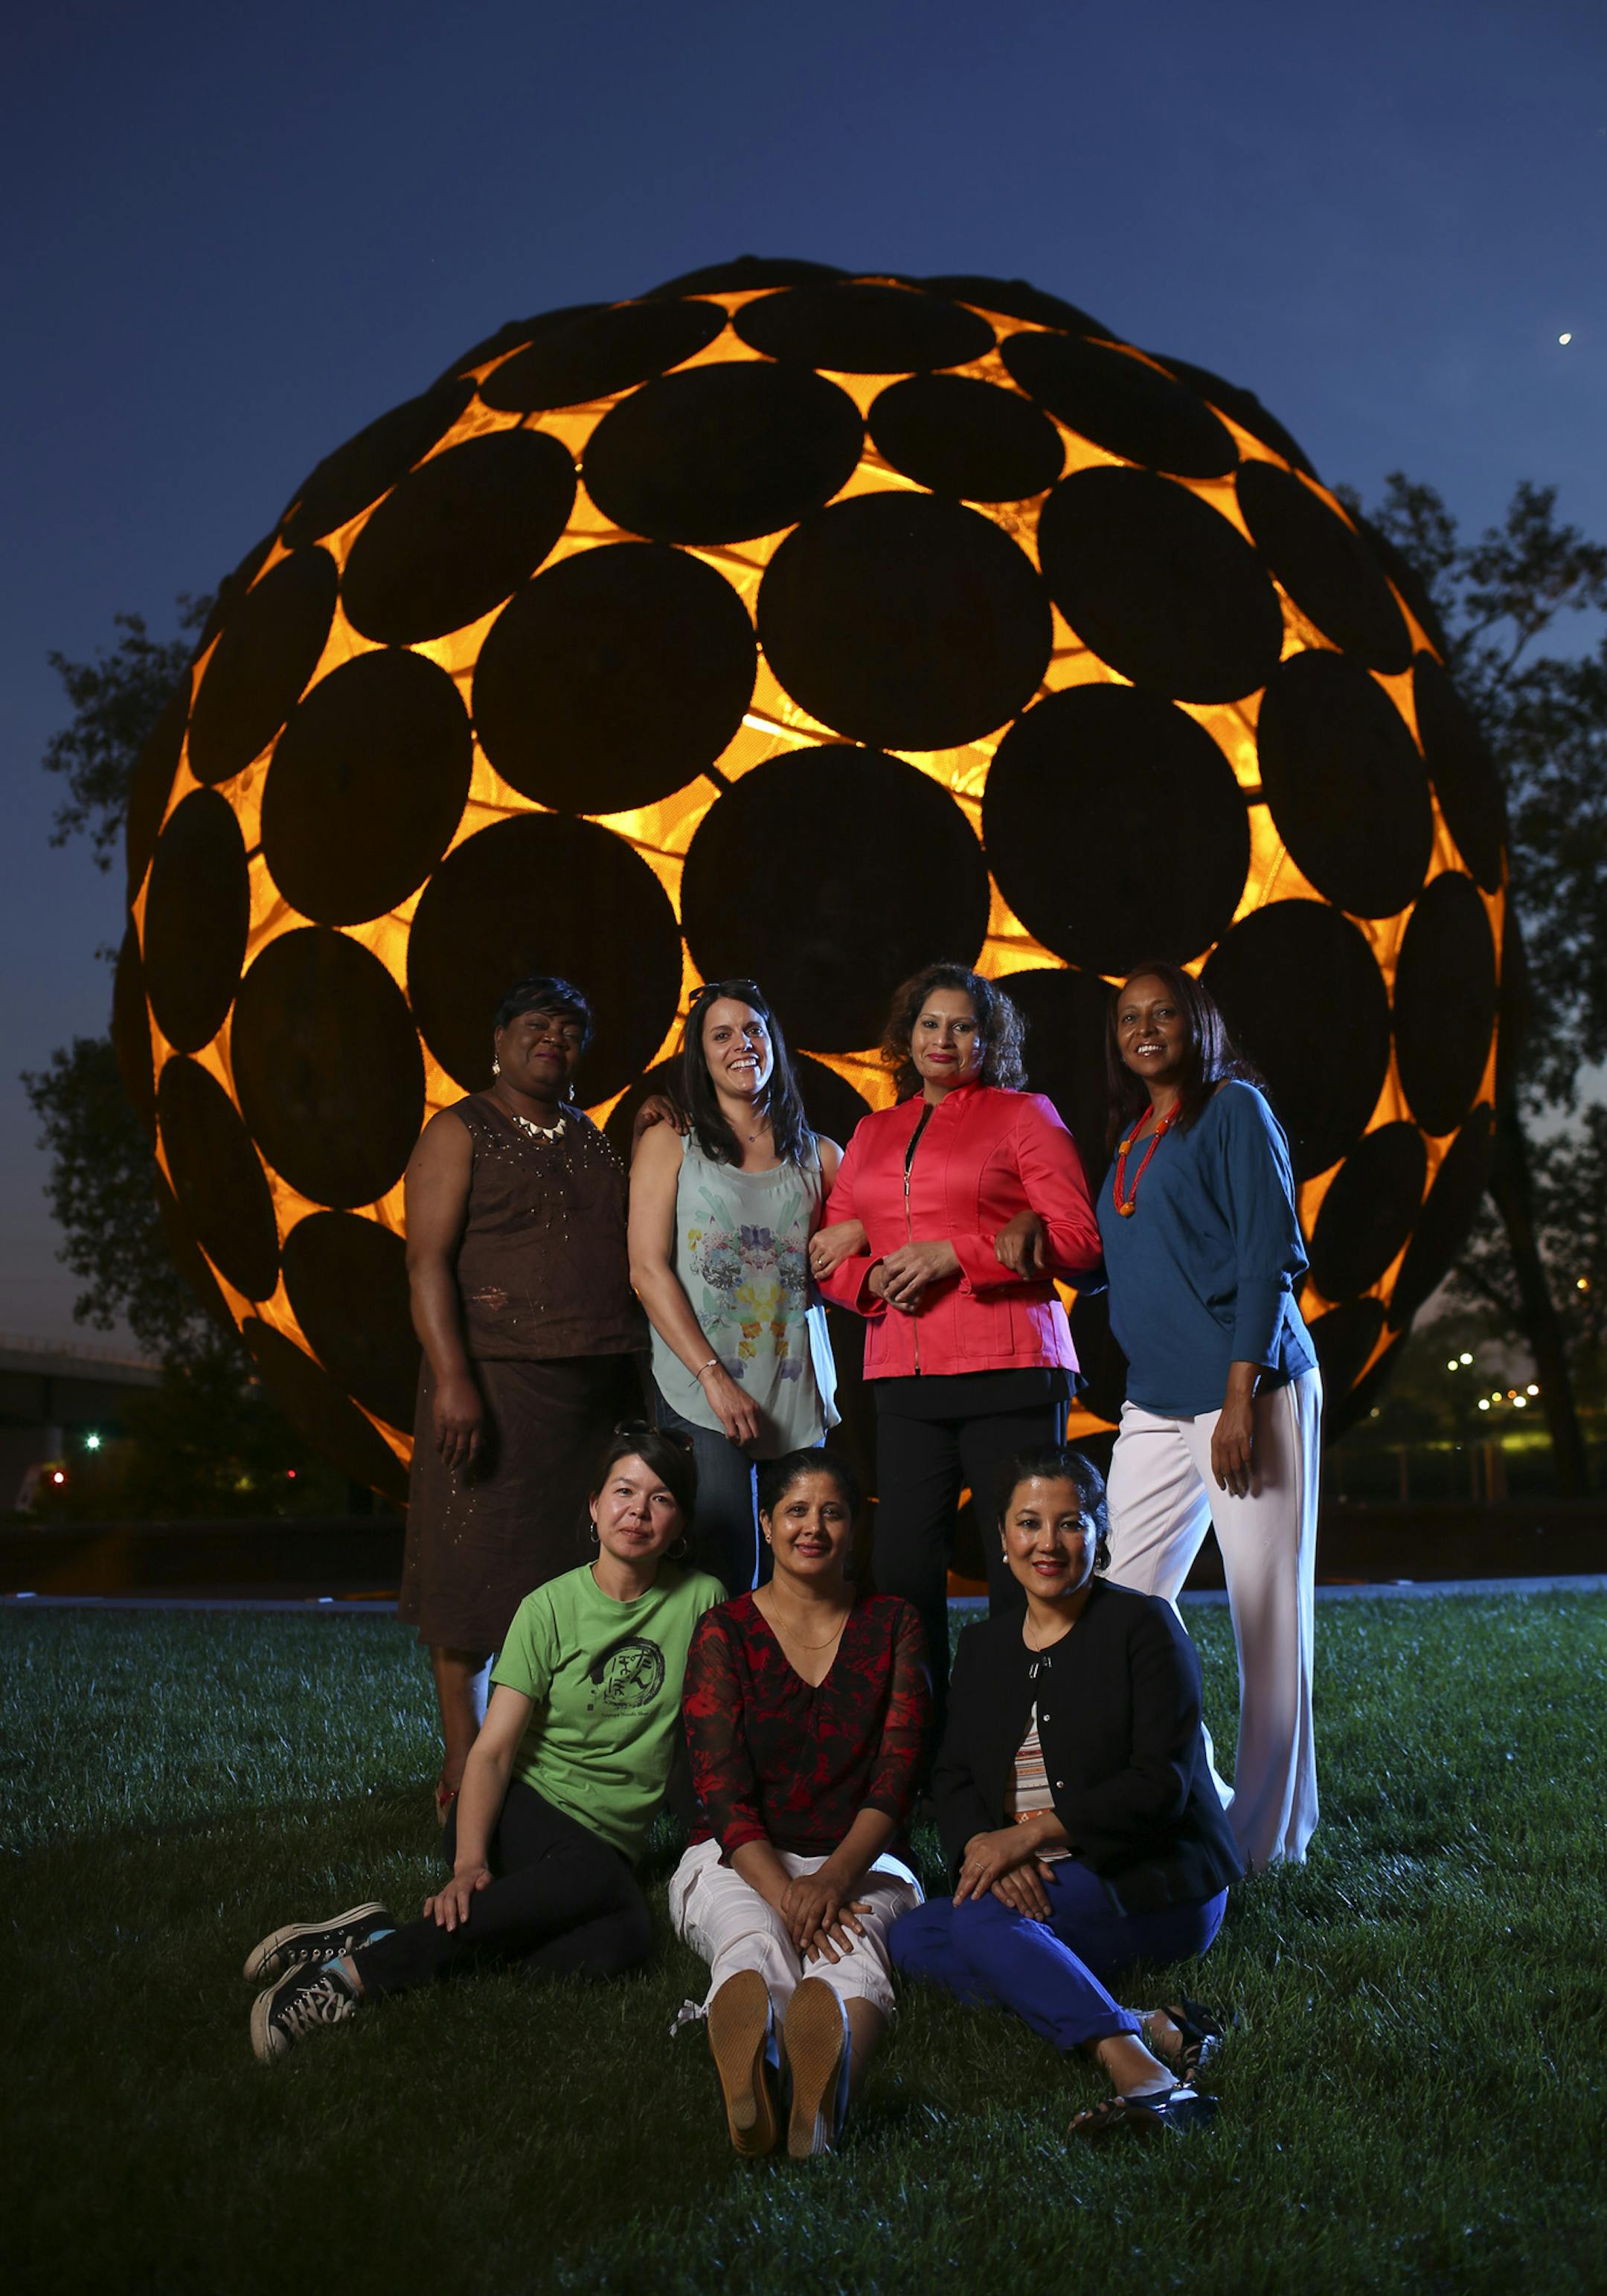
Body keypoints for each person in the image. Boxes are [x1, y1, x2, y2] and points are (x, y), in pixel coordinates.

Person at [246, 1428, 724, 2061]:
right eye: (624, 1491)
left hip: (603, 1843)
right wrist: (470, 1863)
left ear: (680, 1521)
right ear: (593, 1505)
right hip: (517, 1815)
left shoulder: (703, 1600)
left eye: (660, 1499)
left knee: (619, 1943)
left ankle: (378, 1935)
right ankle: (350, 1979)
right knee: (609, 1892)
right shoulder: (547, 1609)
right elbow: (493, 1752)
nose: (637, 1511)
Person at [889, 1445, 1242, 2142]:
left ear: (1101, 1533)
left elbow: (1161, 1787)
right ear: (1002, 1537)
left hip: (1153, 1877)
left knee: (981, 1926)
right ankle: (1150, 2021)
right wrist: (988, 1855)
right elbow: (953, 1774)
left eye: (1072, 1523)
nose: (1048, 1543)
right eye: (1029, 1524)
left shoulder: (1145, 1628)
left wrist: (1026, 1837)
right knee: (912, 1937)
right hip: (1033, 1874)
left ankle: (1139, 2070)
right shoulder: (985, 1646)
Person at [810, 962, 1102, 1716]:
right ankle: (925, 1751)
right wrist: (870, 1279)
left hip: (1010, 1365)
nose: (945, 1037)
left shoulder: (1025, 1114)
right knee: (904, 1570)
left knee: (1021, 1568)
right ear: (906, 1038)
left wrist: (957, 1254)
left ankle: (1034, 1740)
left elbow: (1078, 1239)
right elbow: (829, 1261)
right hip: (904, 1378)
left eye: (964, 1024)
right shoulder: (873, 1133)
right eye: (930, 1023)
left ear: (988, 1038)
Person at [400, 974, 647, 1823]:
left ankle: (545, 1755)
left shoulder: (594, 1139)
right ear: (500, 1037)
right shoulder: (458, 1129)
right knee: (471, 1576)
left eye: (570, 1027)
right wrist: (455, 1376)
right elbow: (426, 1260)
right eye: (536, 1023)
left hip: (590, 1395)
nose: (554, 1037)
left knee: (565, 1580)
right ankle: (463, 1763)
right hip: (494, 1386)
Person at [1098, 960, 1321, 1870]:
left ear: (1197, 1024)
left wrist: (1241, 1394)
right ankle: (1215, 1793)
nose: (1145, 1028)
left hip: (1249, 1389)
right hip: (1153, 1398)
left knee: (1266, 1616)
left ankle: (1269, 1841)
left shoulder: (1234, 1109)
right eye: (1128, 1019)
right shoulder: (1129, 1138)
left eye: (1163, 1013)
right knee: (1121, 1605)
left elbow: (1270, 1252)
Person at [670, 1452, 931, 2158]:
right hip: (741, 1855)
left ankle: (822, 2099)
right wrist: (789, 1891)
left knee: (853, 1954)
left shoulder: (894, 1624)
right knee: (753, 1941)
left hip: (863, 1858)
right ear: (767, 1522)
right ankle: (761, 2077)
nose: (812, 1528)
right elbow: (721, 1794)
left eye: (832, 1512)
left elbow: (896, 1778)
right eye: (796, 1511)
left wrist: (832, 1880)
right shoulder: (725, 1630)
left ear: (854, 1529)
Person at [629, 978, 847, 1597]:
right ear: (701, 1055)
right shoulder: (670, 1143)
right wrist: (713, 1379)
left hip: (795, 1388)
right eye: (721, 1034)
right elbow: (646, 1269)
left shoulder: (823, 1157)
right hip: (702, 1389)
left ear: (773, 1041)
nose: (741, 1044)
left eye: (753, 1030)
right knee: (725, 1569)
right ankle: (719, 1693)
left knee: (807, 1569)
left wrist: (855, 1229)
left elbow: (880, 1237)